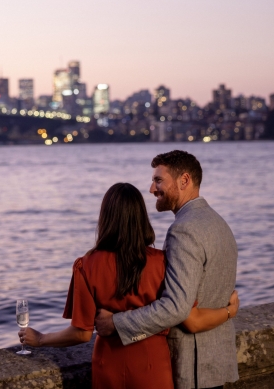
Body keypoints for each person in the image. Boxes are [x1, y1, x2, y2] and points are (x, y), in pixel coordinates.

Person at [19, 182, 239, 389]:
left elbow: (81, 334)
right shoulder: (162, 262)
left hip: (108, 365)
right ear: (141, 217)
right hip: (153, 366)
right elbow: (187, 315)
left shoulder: (86, 266)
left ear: (105, 217)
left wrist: (40, 339)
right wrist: (228, 310)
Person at [95, 151, 239, 389]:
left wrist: (116, 323)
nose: (152, 189)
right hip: (215, 364)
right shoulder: (219, 224)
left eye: (158, 180)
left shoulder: (183, 230)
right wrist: (228, 312)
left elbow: (176, 308)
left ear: (184, 181)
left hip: (191, 370)